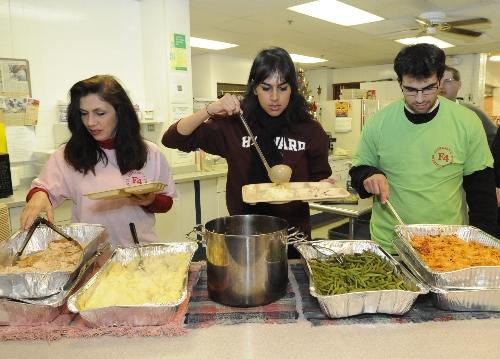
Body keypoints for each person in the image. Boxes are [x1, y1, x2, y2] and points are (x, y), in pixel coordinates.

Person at [162, 47, 333, 258]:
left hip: (293, 237)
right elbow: (172, 138)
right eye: (266, 88)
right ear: (254, 89)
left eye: (282, 87)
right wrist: (210, 109)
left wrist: (324, 186)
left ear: (292, 89)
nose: (275, 97)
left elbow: (319, 178)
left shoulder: (309, 130)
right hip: (244, 235)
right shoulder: (235, 125)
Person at [349, 43, 499, 254]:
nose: (420, 99)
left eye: (428, 88)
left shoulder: (467, 122)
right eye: (410, 89)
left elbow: (481, 193)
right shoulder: (379, 122)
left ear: (440, 80)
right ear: (399, 82)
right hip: (390, 245)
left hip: (447, 245)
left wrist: (487, 248)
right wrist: (370, 175)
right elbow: (358, 171)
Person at [21, 75, 178, 251]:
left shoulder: (150, 153)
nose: (90, 122)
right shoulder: (68, 156)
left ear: (120, 112)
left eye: (100, 113)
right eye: (84, 113)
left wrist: (151, 200)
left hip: (138, 251)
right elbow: (43, 190)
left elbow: (166, 202)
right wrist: (39, 195)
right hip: (90, 254)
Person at [439, 66, 498, 145]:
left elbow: (495, 136)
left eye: (448, 81)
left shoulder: (472, 111)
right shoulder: (426, 110)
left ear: (459, 84)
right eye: (438, 81)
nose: (441, 86)